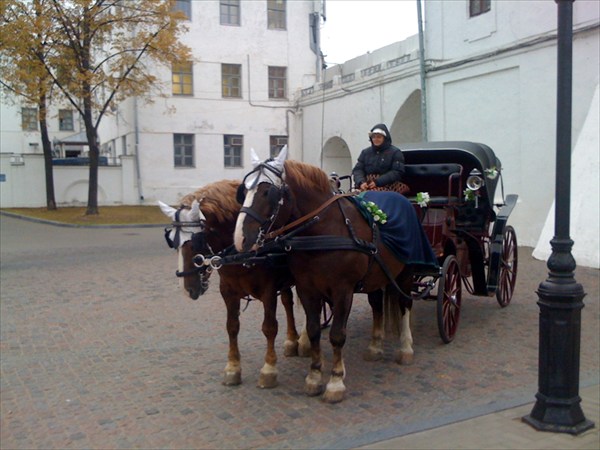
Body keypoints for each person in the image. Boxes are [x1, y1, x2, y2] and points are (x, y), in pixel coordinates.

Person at [352, 123, 406, 193]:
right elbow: (358, 170)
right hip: (367, 185)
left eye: (379, 137)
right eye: (374, 137)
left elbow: (397, 172)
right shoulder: (365, 152)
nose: (376, 139)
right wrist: (361, 182)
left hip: (388, 185)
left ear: (385, 138)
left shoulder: (395, 152)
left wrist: (378, 182)